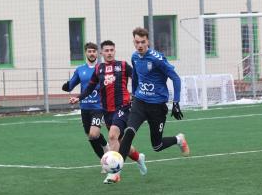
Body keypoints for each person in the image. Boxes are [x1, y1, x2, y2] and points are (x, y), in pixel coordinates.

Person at [114, 27, 189, 184]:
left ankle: (179, 139)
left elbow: (175, 78)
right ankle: (116, 172)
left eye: (143, 42)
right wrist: (133, 95)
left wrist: (176, 102)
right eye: (137, 42)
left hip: (157, 106)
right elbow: (135, 77)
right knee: (128, 132)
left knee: (157, 145)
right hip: (140, 103)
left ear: (148, 41)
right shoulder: (135, 57)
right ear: (133, 42)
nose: (140, 45)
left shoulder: (157, 59)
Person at [70, 40, 147, 184]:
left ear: (115, 51)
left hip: (123, 108)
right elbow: (90, 88)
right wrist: (78, 98)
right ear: (102, 53)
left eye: (112, 50)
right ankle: (138, 157)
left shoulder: (123, 66)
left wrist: (139, 96)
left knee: (112, 136)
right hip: (107, 111)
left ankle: (114, 173)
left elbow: (138, 78)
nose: (109, 53)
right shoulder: (99, 68)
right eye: (106, 50)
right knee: (122, 143)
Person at [62, 43, 110, 162]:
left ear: (97, 53)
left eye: (94, 51)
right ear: (85, 53)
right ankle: (103, 161)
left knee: (94, 133)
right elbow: (71, 85)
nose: (92, 53)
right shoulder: (80, 70)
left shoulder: (102, 68)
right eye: (89, 51)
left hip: (98, 107)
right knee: (90, 136)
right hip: (85, 107)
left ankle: (106, 147)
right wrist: (66, 87)